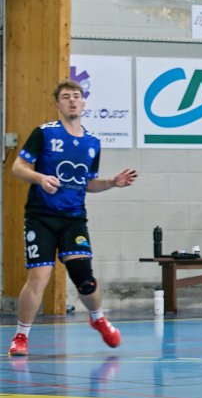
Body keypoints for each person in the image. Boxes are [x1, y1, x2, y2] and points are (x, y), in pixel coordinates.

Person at [8, 80, 137, 357]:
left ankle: (98, 318)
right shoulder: (45, 133)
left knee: (85, 280)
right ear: (58, 105)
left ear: (83, 103)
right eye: (66, 97)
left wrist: (112, 182)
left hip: (74, 219)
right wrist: (40, 178)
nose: (72, 101)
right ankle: (21, 336)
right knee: (39, 277)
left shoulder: (92, 142)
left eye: (76, 96)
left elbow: (88, 184)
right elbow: (18, 167)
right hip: (41, 217)